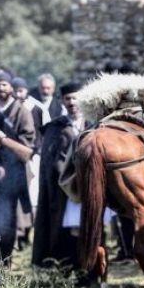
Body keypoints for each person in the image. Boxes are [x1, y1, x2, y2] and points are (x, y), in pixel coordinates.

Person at [32, 82, 90, 269]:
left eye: (75, 98)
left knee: (88, 226)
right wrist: (66, 173)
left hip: (89, 186)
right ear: (62, 101)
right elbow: (50, 160)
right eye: (68, 99)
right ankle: (67, 266)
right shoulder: (55, 128)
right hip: (64, 187)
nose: (72, 102)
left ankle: (89, 267)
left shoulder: (92, 124)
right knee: (67, 227)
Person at [0, 70, 36, 263]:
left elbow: (27, 141)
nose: (1, 88)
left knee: (11, 216)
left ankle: (7, 255)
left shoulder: (21, 111)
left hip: (15, 170)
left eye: (4, 85)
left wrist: (5, 141)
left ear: (11, 88)